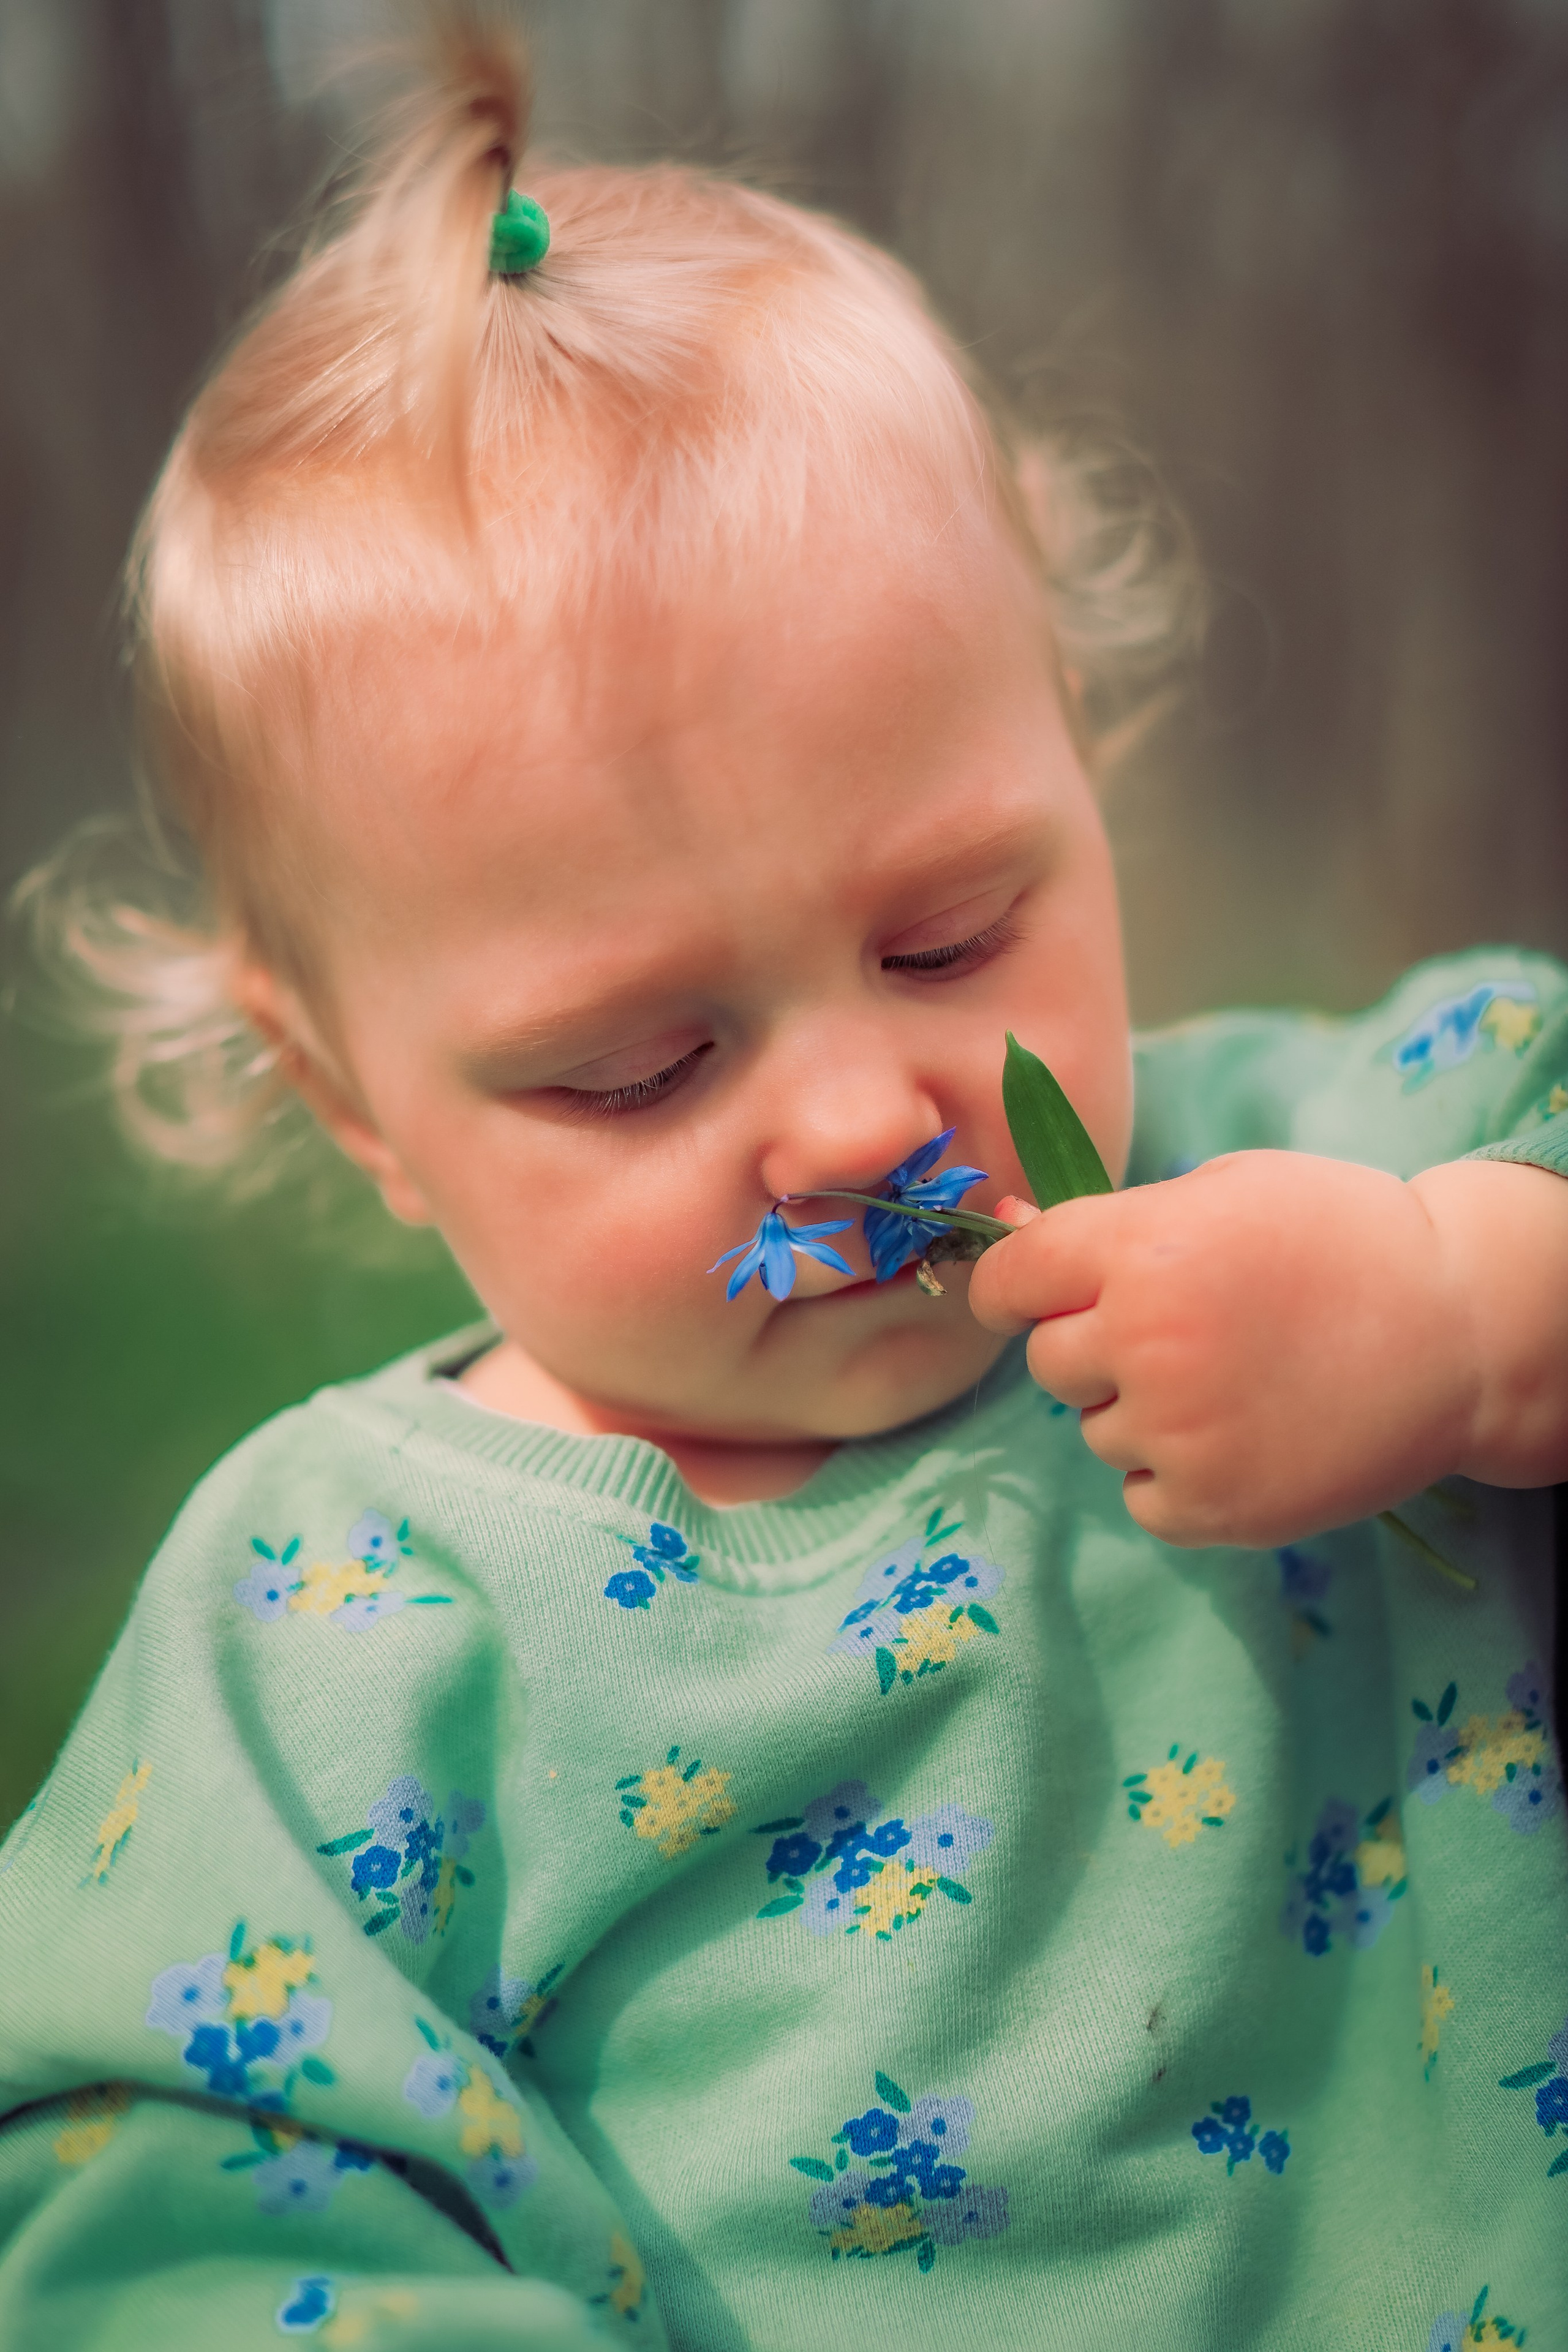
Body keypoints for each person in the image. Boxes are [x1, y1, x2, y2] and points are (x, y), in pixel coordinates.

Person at [1, 14, 1564, 2350]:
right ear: (344, 1096)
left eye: (949, 938)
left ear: (1079, 743)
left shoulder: (1367, 1155)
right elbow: (150, 2207)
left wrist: (1471, 1308)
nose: (856, 1127)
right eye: (640, 1067)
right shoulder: (349, 1628)